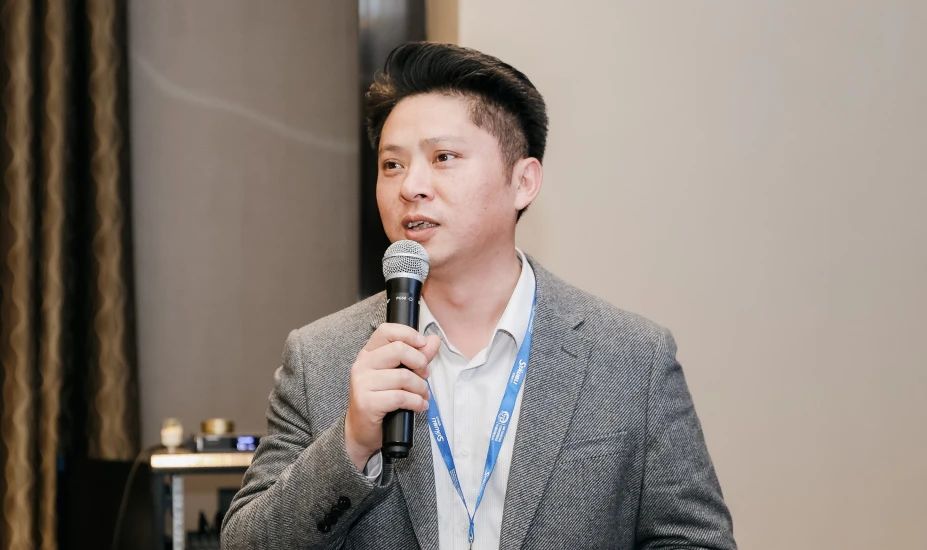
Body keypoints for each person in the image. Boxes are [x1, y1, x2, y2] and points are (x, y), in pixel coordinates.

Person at [221, 42, 735, 549]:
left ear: (523, 182)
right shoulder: (320, 358)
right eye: (392, 165)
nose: (411, 187)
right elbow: (246, 543)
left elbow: (695, 540)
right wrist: (352, 442)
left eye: (443, 157)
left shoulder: (631, 357)